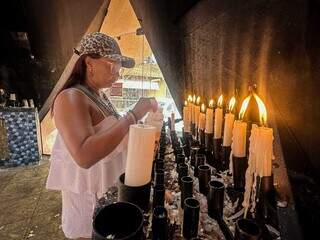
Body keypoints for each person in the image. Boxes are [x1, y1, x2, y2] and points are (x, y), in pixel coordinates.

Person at [46, 32, 157, 240]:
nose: (117, 72)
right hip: (88, 196)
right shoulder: (71, 97)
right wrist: (133, 115)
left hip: (106, 190)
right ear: (89, 63)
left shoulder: (98, 95)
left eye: (119, 66)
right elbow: (84, 155)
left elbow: (112, 135)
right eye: (112, 64)